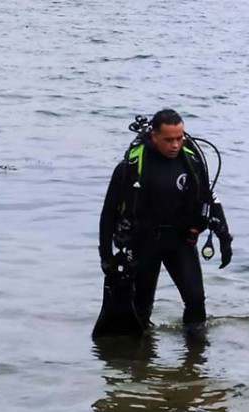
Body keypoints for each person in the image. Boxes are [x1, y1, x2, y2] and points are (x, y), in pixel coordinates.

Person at [98, 109, 232, 333]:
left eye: (179, 138)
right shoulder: (131, 167)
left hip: (179, 241)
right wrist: (105, 255)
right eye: (168, 139)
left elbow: (209, 199)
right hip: (143, 242)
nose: (175, 145)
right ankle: (141, 362)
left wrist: (225, 238)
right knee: (140, 307)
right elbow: (108, 212)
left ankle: (194, 361)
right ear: (154, 136)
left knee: (196, 300)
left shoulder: (191, 162)